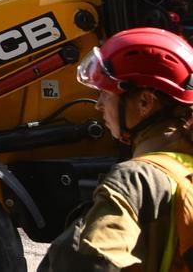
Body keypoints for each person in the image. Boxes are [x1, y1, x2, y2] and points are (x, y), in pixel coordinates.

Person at [40, 27, 193, 271]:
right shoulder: (185, 166)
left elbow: (89, 261)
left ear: (144, 102)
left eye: (106, 92)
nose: (99, 105)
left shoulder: (135, 179)